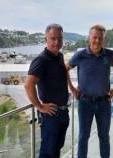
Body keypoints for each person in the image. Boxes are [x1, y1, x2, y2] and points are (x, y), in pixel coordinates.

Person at [66, 24, 113, 158]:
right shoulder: (80, 55)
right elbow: (65, 69)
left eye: (100, 38)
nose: (97, 41)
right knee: (83, 137)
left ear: (104, 39)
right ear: (89, 38)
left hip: (104, 103)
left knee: (104, 137)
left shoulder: (109, 54)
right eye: (94, 37)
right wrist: (72, 88)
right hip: (85, 103)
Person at [25, 23, 69, 158]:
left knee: (57, 148)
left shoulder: (59, 56)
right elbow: (28, 85)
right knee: (48, 152)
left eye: (60, 38)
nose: (57, 42)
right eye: (53, 38)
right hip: (50, 115)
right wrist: (39, 106)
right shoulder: (41, 60)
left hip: (62, 112)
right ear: (46, 40)